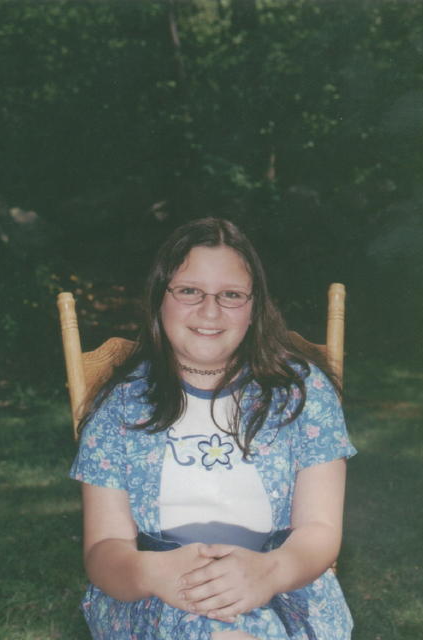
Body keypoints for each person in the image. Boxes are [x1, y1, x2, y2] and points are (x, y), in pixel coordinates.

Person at [70, 217, 357, 640]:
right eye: (189, 291)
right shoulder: (122, 406)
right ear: (159, 298)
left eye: (231, 295)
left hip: (283, 582)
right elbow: (103, 549)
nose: (209, 311)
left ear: (255, 307)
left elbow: (320, 530)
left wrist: (268, 573)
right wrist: (153, 572)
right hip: (153, 593)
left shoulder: (302, 392)